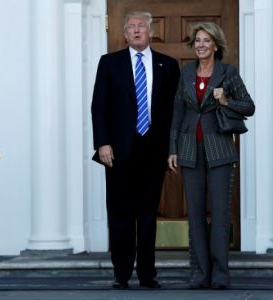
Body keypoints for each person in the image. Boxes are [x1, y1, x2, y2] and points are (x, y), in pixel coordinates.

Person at [91, 11, 180, 289]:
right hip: (118, 152)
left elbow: (175, 112)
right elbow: (99, 105)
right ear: (125, 34)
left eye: (142, 26)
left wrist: (172, 149)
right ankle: (121, 274)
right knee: (120, 215)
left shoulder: (169, 65)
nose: (137, 30)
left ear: (151, 31)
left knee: (148, 215)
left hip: (154, 152)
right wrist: (102, 142)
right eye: (132, 27)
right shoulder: (109, 63)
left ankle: (147, 274)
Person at [167, 22, 255, 289]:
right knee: (194, 214)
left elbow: (249, 107)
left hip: (220, 150)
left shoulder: (228, 73)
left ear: (216, 45)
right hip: (190, 149)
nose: (201, 45)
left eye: (206, 41)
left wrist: (226, 100)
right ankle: (200, 273)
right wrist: (172, 149)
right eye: (197, 41)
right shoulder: (186, 73)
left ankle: (220, 274)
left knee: (219, 213)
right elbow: (178, 112)